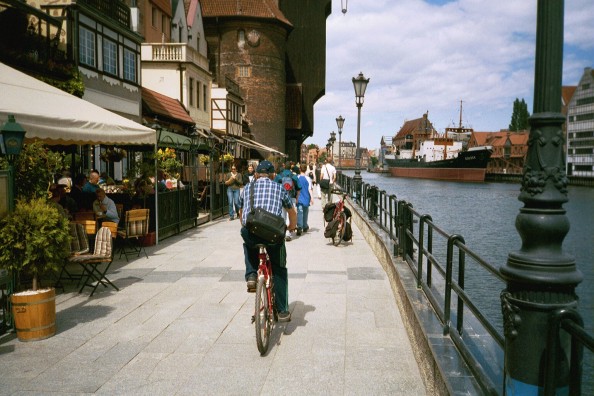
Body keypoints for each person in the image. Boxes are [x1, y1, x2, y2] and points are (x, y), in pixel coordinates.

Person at [238, 160, 296, 322]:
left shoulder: (248, 188)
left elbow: (241, 214)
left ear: (256, 174)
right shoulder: (279, 188)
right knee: (279, 269)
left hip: (253, 232)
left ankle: (251, 276)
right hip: (273, 236)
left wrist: (245, 226)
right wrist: (292, 226)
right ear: (272, 175)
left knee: (248, 244)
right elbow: (291, 211)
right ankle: (283, 310)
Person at [274, 161, 301, 240]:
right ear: (291, 167)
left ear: (284, 166)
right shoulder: (294, 176)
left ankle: (284, 232)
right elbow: (299, 188)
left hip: (281, 198)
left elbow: (274, 186)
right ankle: (288, 233)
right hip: (291, 198)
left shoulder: (279, 176)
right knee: (291, 215)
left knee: (283, 216)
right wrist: (297, 198)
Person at [296, 164, 314, 235]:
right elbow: (310, 189)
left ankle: (299, 226)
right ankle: (305, 225)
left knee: (299, 212)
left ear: (300, 169)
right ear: (306, 170)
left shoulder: (297, 178)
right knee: (305, 212)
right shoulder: (308, 179)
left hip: (299, 197)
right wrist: (312, 198)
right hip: (306, 197)